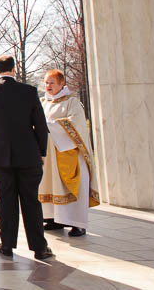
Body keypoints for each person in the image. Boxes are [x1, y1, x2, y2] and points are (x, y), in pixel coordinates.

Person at [0, 55, 53, 260]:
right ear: (14, 68)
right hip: (28, 154)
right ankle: (39, 247)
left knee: (6, 200)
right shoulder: (29, 91)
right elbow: (41, 125)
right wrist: (41, 151)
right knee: (31, 201)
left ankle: (7, 244)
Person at [39, 69, 99, 237]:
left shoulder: (71, 102)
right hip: (48, 154)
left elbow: (76, 124)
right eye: (46, 83)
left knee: (74, 187)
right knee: (49, 184)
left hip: (68, 153)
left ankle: (77, 224)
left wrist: (49, 126)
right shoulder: (43, 102)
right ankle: (53, 219)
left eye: (52, 83)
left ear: (61, 84)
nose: (48, 86)